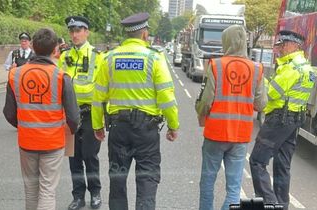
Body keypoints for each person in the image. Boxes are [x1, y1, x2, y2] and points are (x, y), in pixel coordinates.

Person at [91, 12, 179, 210]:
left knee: (118, 181)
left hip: (118, 129)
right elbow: (166, 97)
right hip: (146, 130)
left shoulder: (108, 58)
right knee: (147, 180)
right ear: (145, 35)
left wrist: (97, 125)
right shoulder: (154, 58)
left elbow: (98, 97)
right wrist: (173, 126)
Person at [3, 28, 80, 210]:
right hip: (52, 142)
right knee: (47, 191)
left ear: (33, 47)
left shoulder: (15, 75)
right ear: (55, 49)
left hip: (27, 141)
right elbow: (73, 116)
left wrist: (23, 125)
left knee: (30, 190)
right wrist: (72, 130)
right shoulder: (61, 77)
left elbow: (8, 112)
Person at [195, 25, 267, 210]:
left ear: (225, 41)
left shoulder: (216, 65)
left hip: (215, 134)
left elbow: (206, 102)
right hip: (240, 136)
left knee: (207, 182)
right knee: (234, 188)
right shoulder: (257, 69)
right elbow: (261, 105)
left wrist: (200, 110)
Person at [249, 30, 315, 210]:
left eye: (281, 46)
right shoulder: (306, 67)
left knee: (257, 161)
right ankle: (282, 204)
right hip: (294, 119)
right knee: (282, 165)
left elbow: (270, 93)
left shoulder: (290, 69)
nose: (278, 50)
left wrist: (261, 82)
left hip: (278, 120)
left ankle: (269, 203)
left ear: (291, 45)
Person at [57, 15, 103, 210]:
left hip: (90, 113)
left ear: (86, 32)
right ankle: (78, 196)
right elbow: (58, 83)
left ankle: (95, 193)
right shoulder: (64, 56)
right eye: (72, 31)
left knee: (90, 156)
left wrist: (102, 120)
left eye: (78, 30)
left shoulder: (97, 56)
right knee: (73, 158)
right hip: (70, 115)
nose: (74, 34)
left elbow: (102, 88)